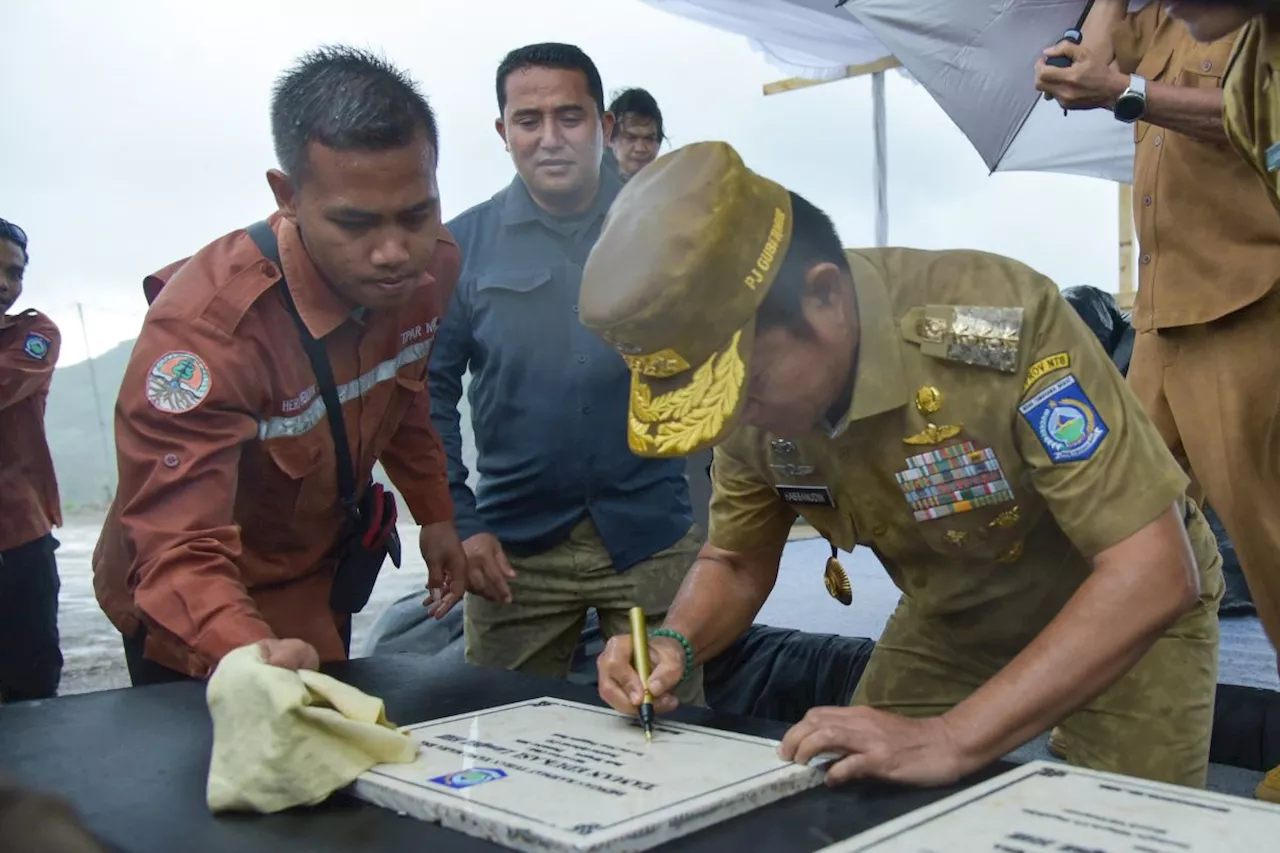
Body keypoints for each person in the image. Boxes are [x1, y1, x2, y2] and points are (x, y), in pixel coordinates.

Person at [579, 141, 1224, 789]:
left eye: (744, 389)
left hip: (1121, 608)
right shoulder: (752, 404)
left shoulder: (995, 324)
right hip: (951, 614)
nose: (739, 422)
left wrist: (950, 736)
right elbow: (738, 559)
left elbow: (1154, 570)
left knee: (1128, 828)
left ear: (825, 298)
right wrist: (674, 642)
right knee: (844, 788)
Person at [91, 46, 467, 684]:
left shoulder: (431, 270)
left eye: (416, 214)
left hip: (319, 580)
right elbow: (179, 552)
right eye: (354, 223)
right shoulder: (205, 340)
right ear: (287, 195)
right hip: (196, 612)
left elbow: (401, 395)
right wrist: (245, 653)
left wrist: (435, 513)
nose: (393, 253)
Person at [1034, 0, 1280, 741]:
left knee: (1269, 548)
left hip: (1247, 307)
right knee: (1117, 526)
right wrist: (1101, 38)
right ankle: (1115, 729)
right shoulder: (1168, 22)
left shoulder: (1254, 23)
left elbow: (1244, 120)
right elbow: (1096, 62)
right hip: (1157, 320)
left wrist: (1127, 94)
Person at [428, 43, 703, 703]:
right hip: (512, 556)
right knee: (500, 738)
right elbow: (426, 395)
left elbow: (724, 362)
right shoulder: (460, 248)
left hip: (650, 542)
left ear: (603, 126)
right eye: (528, 121)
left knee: (666, 731)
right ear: (503, 133)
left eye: (569, 117)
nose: (549, 138)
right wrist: (460, 521)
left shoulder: (670, 233)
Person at [0, 217, 64, 703]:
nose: (6, 285)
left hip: (17, 535)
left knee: (31, 686)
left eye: (15, 273)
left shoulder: (33, 335)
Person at [605, 87, 665, 180]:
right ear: (610, 139)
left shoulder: (670, 187)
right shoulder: (589, 187)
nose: (640, 148)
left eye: (649, 139)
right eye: (631, 138)